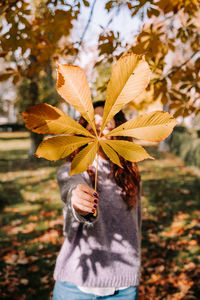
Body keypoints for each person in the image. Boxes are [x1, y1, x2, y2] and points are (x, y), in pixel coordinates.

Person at [53, 101, 142, 300]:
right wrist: (78, 202)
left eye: (108, 123)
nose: (101, 128)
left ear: (120, 130)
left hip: (123, 285)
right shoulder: (72, 170)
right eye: (94, 123)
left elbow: (137, 222)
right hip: (75, 284)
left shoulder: (130, 174)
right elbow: (72, 192)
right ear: (83, 130)